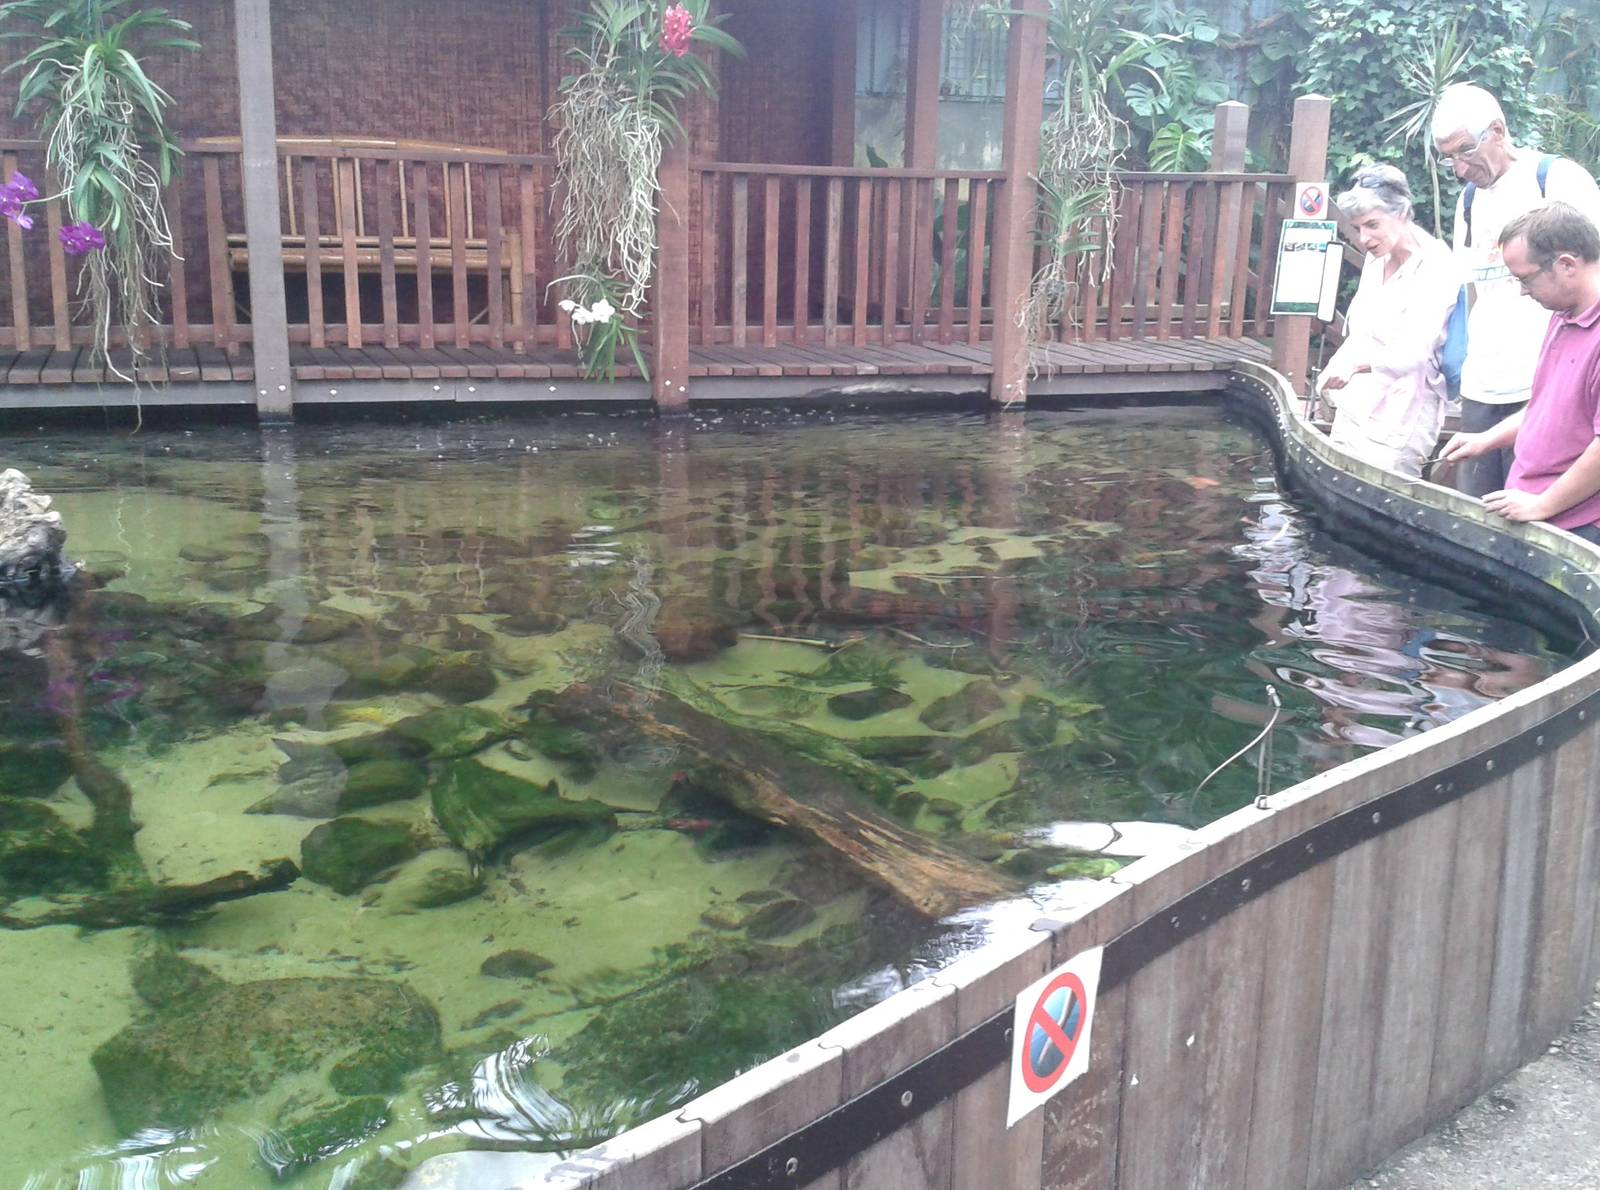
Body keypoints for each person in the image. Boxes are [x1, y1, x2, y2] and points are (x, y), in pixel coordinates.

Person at [1431, 83, 1600, 496]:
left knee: (1540, 512)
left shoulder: (1555, 179)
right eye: (1448, 157)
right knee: (1477, 513)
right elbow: (1469, 286)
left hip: (1543, 383)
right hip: (1483, 383)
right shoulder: (1468, 199)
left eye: (1466, 150)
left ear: (1498, 130)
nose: (1459, 168)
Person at [1437, 203, 1600, 544]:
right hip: (1537, 510)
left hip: (1579, 529)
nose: (1524, 291)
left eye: (1526, 279)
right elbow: (1548, 407)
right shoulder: (1564, 314)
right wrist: (1486, 439)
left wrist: (1543, 504)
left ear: (1566, 264)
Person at [1317, 165, 1461, 477]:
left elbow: (1415, 352)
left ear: (1402, 213)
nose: (1365, 238)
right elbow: (1361, 331)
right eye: (1357, 229)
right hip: (1357, 402)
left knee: (1382, 497)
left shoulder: (1437, 266)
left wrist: (1354, 367)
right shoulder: (1376, 257)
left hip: (1404, 411)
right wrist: (1333, 371)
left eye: (1372, 225)